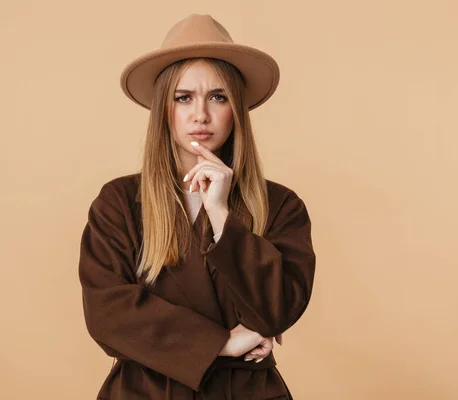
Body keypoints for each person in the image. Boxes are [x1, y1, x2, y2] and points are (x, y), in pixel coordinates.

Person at [78, 13, 316, 399]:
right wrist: (222, 342)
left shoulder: (280, 205)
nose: (200, 115)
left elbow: (278, 310)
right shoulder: (118, 202)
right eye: (183, 98)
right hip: (145, 392)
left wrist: (222, 215)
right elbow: (108, 314)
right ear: (163, 109)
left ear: (236, 109)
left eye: (218, 97)